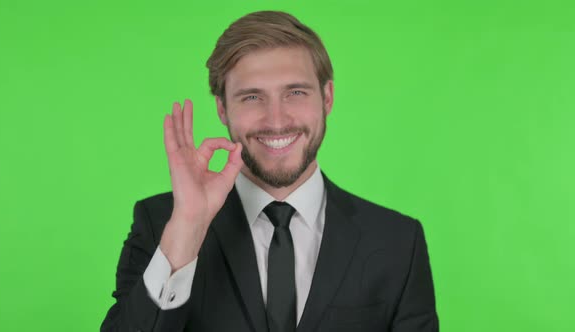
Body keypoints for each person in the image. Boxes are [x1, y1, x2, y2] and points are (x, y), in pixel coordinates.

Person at [101, 10, 438, 332]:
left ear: (327, 97)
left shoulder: (397, 242)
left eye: (295, 92)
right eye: (251, 98)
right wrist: (187, 230)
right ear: (222, 107)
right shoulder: (161, 224)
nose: (276, 121)